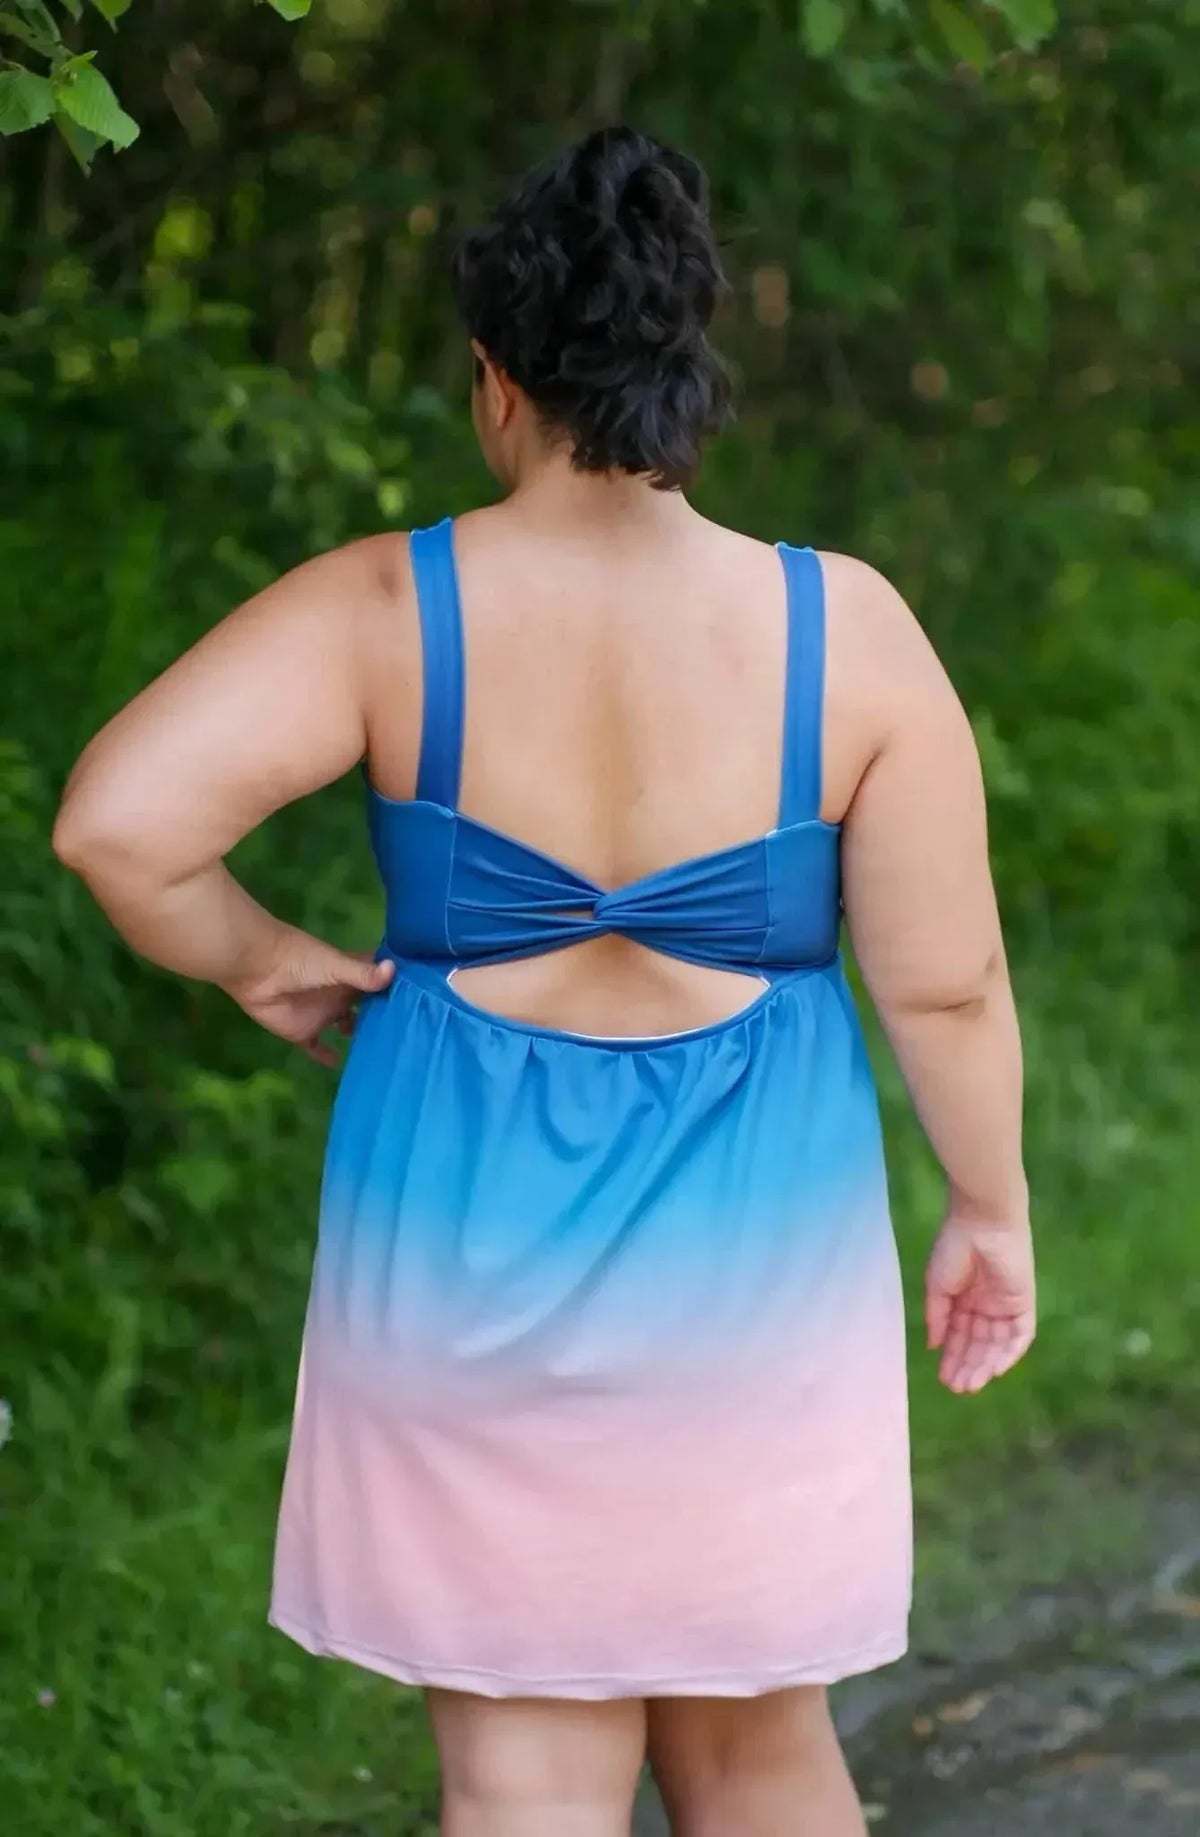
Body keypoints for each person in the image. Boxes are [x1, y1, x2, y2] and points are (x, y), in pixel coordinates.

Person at [53, 126, 1034, 1837]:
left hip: (453, 1262)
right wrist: (990, 1206)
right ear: (689, 374)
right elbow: (943, 988)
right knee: (758, 1745)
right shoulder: (840, 628)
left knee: (518, 1772)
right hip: (761, 1262)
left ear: (497, 381)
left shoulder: (385, 607)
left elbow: (117, 829)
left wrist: (268, 964)